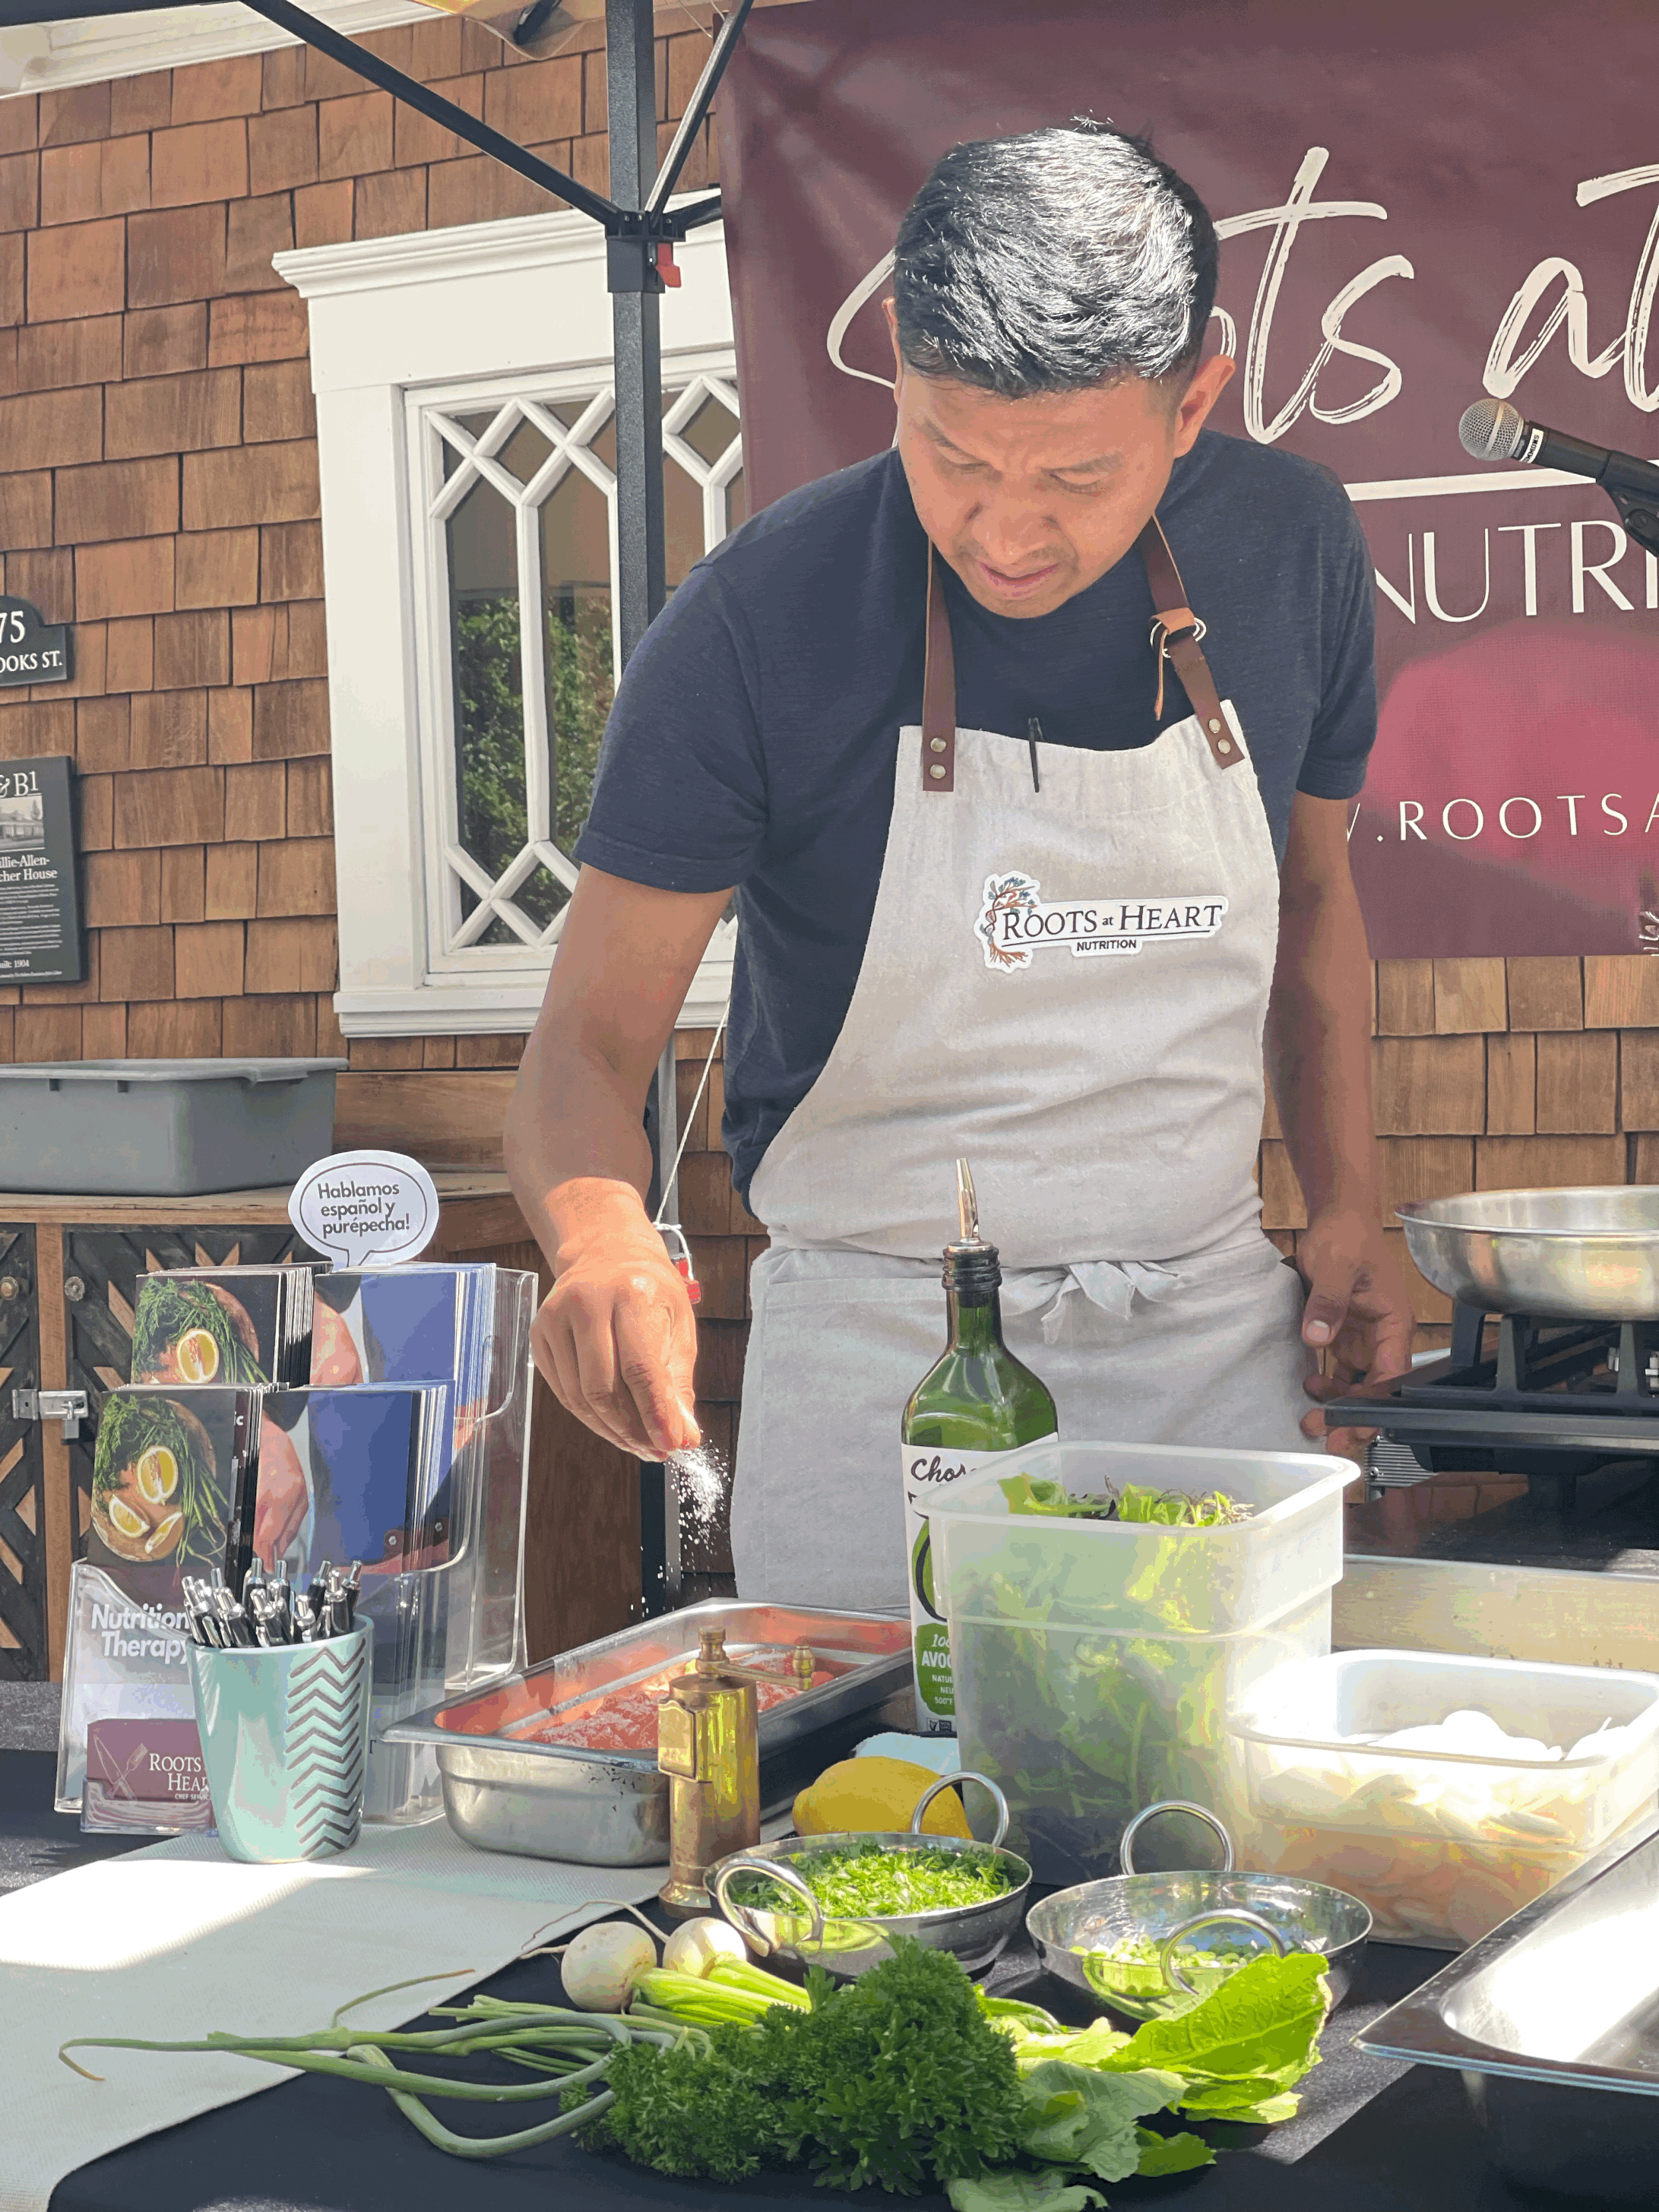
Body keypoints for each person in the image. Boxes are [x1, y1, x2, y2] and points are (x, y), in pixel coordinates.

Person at [505, 121, 1415, 1613]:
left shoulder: (1287, 544)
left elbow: (1310, 907)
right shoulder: (753, 623)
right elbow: (586, 1045)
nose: (1005, 529)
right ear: (898, 377)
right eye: (952, 452)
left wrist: (1342, 1202)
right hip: (885, 1363)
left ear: (1193, 402)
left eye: (1073, 474)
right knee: (883, 1811)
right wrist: (599, 1230)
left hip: (1198, 1337)